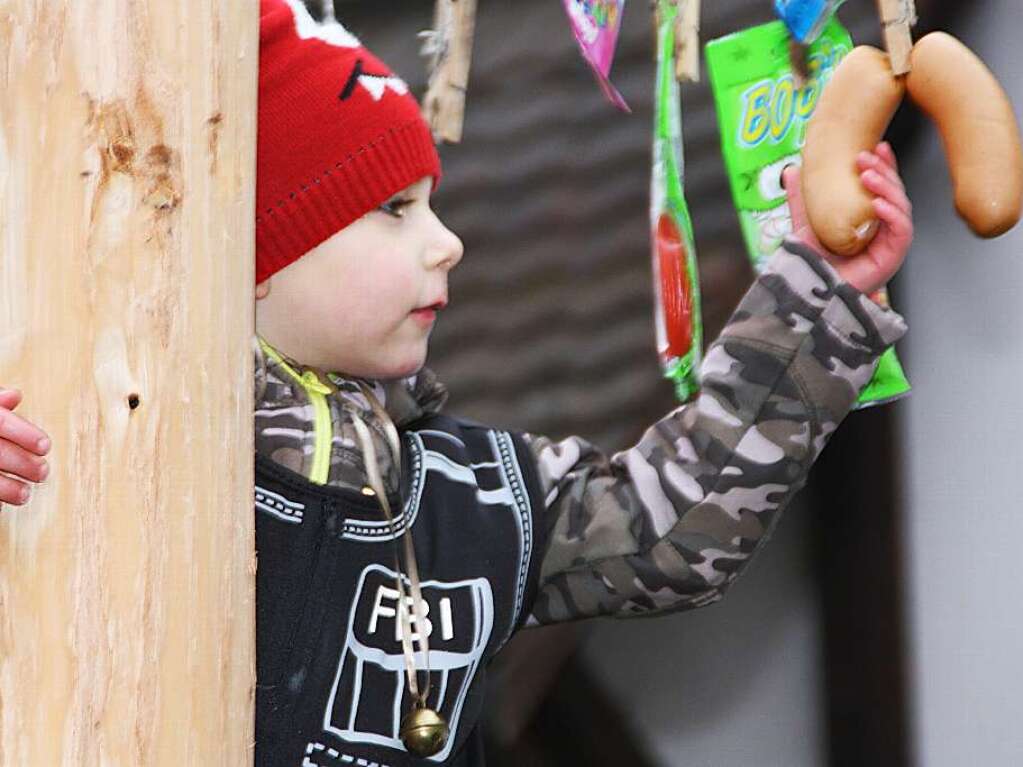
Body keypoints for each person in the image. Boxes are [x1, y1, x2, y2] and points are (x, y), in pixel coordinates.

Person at [1, 0, 913, 763]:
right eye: (393, 211)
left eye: (430, 205)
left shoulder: (474, 495)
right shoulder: (95, 453)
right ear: (256, 252)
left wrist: (816, 293)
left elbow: (676, 525)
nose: (448, 243)